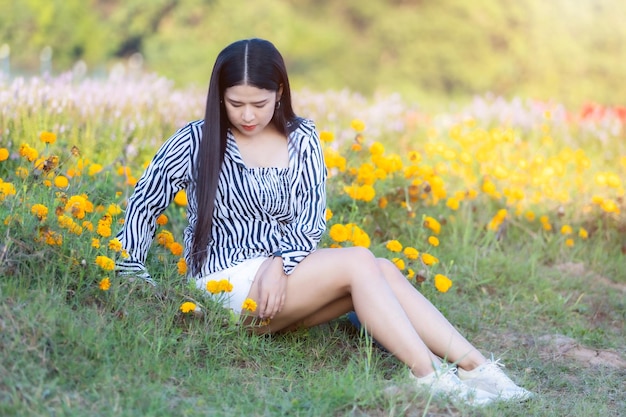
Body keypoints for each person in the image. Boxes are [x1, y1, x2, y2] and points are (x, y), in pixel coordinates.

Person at [115, 38, 533, 407]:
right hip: (224, 284)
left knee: (380, 270)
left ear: (279, 93)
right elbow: (142, 204)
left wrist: (280, 263)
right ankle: (427, 377)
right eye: (235, 103)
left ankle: (477, 368)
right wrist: (137, 279)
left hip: (284, 282)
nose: (247, 115)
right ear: (218, 96)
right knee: (358, 261)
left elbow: (311, 218)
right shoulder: (196, 138)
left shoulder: (301, 137)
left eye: (258, 104)